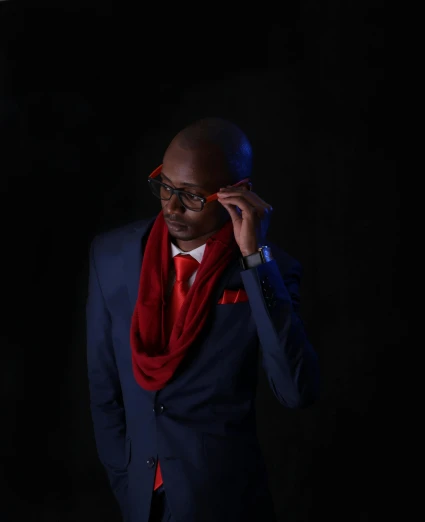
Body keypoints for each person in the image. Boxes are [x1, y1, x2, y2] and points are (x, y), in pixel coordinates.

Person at [86, 117, 320, 522]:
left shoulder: (270, 269)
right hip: (138, 499)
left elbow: (295, 391)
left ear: (235, 194)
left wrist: (254, 260)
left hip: (223, 501)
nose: (172, 207)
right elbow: (103, 387)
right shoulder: (111, 256)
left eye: (192, 196)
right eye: (165, 187)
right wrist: (123, 480)